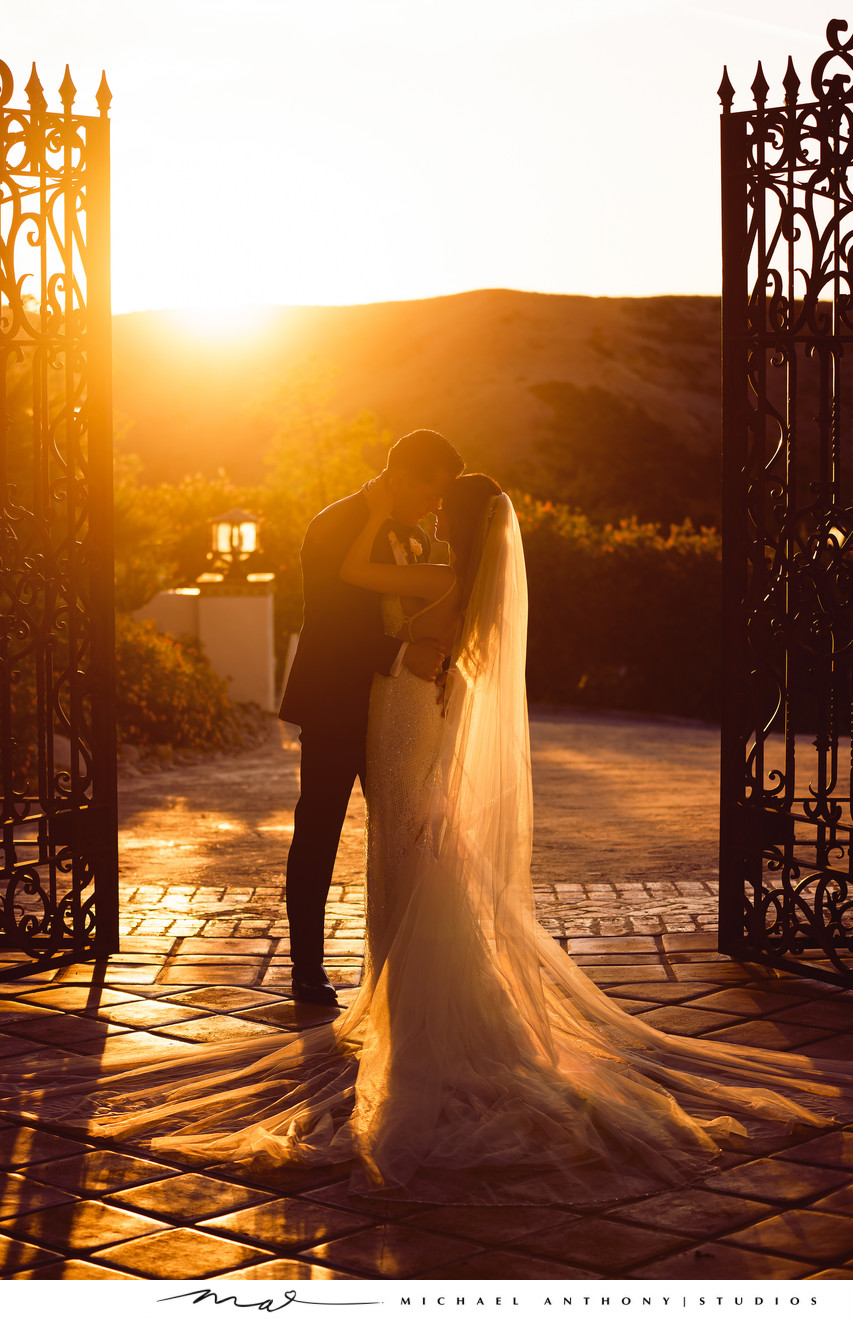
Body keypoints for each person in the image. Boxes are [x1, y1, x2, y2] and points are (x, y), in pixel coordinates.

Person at [7, 471, 852, 1209]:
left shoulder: (446, 577)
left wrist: (386, 521)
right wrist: (391, 521)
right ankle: (393, 1006)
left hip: (404, 738)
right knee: (402, 866)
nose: (435, 515)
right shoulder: (451, 573)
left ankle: (417, 1026)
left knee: (408, 868)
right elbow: (359, 586)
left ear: (461, 518)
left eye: (444, 506)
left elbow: (363, 581)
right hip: (395, 733)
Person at [279, 428, 464, 1003]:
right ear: (401, 474)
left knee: (410, 831)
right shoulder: (333, 525)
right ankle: (307, 967)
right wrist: (403, 654)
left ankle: (409, 962)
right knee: (319, 831)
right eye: (431, 491)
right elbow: (331, 625)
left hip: (399, 712)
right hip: (338, 704)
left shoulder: (411, 534)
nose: (436, 505)